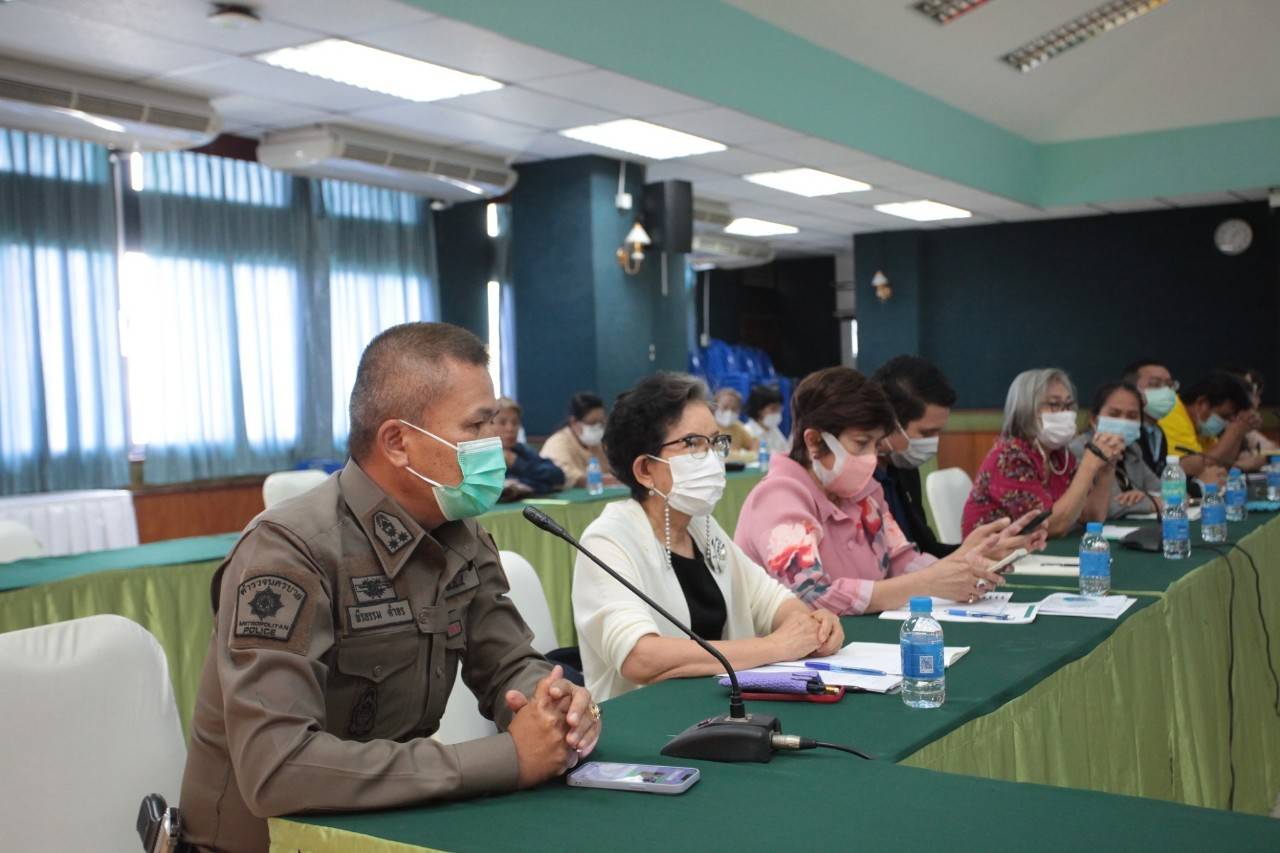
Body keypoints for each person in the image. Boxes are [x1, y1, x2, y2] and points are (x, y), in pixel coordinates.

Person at [180, 323, 600, 853]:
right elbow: (278, 768)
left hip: (391, 830)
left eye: (493, 424)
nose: (493, 446)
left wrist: (554, 704)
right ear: (399, 443)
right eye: (475, 427)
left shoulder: (459, 531)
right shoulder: (288, 553)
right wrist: (508, 759)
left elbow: (508, 664)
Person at [572, 372, 844, 702]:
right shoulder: (607, 541)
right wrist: (774, 646)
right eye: (692, 444)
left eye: (715, 442)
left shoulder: (702, 526)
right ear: (645, 469)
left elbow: (771, 600)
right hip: (643, 725)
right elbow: (640, 658)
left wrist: (811, 624)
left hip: (716, 712)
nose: (713, 457)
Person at [735, 367, 1042, 617]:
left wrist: (966, 566)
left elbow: (902, 561)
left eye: (875, 444)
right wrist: (926, 583)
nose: (871, 457)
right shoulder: (778, 499)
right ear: (815, 442)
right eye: (860, 443)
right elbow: (815, 597)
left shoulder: (863, 493)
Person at [963, 368, 1124, 539]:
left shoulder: (1059, 456)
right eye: (1054, 405)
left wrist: (1107, 467)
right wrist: (1089, 464)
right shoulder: (1009, 457)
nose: (1065, 413)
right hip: (992, 557)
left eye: (1068, 405)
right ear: (1026, 409)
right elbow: (1050, 526)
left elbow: (1091, 518)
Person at [871, 355, 957, 557]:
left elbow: (925, 550)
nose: (934, 443)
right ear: (887, 423)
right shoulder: (856, 481)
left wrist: (980, 549)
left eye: (939, 432)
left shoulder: (903, 469)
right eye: (926, 433)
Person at [1070, 382, 1162, 519]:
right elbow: (1109, 509)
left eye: (1132, 416)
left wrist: (1146, 496)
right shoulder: (1078, 449)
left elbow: (1173, 493)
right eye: (1114, 414)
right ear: (1094, 420)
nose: (1123, 421)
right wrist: (1153, 501)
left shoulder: (1132, 450)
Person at [1180, 370, 1260, 472]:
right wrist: (1234, 430)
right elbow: (1199, 468)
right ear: (1202, 403)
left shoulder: (1200, 425)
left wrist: (1240, 433)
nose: (1227, 422)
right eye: (1225, 416)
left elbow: (1220, 465)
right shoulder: (1174, 416)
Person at [494, 396, 565, 500]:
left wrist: (517, 463)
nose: (510, 429)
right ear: (488, 424)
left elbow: (557, 476)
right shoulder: (479, 455)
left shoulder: (520, 450)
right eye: (502, 423)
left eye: (515, 423)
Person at [540, 392, 607, 488]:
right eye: (592, 423)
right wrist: (615, 481)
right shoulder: (557, 444)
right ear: (574, 422)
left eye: (600, 423)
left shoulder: (599, 444)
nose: (597, 428)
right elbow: (573, 479)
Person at [712, 386, 760, 457]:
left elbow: (755, 444)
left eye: (734, 409)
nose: (729, 412)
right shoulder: (708, 426)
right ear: (715, 407)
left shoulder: (737, 426)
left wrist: (753, 453)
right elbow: (723, 455)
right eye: (725, 407)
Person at [744, 384, 790, 454]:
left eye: (779, 409)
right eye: (773, 409)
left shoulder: (774, 430)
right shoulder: (747, 432)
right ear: (759, 409)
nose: (777, 413)